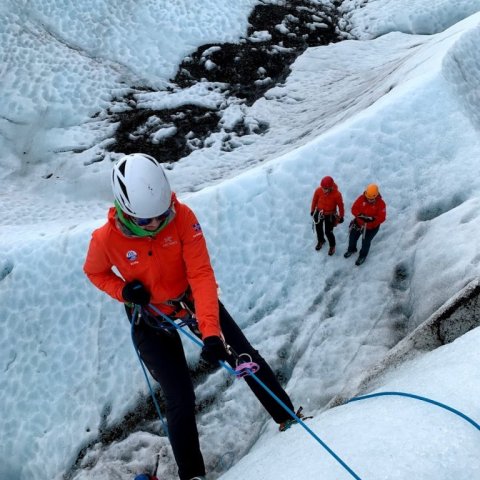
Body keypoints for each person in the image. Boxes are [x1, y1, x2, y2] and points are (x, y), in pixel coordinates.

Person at [83, 153, 298, 480]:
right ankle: (192, 475)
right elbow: (95, 272)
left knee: (243, 356)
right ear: (125, 211)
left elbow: (200, 274)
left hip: (190, 301)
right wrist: (124, 292)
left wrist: (211, 332)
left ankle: (288, 419)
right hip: (150, 317)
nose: (155, 224)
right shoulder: (105, 239)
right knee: (179, 395)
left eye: (160, 215)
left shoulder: (183, 218)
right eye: (144, 221)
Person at [344, 183, 386, 266]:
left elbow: (382, 217)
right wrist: (360, 215)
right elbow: (354, 208)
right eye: (368, 198)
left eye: (372, 199)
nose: (370, 200)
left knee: (366, 242)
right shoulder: (361, 198)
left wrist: (373, 219)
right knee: (352, 237)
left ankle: (362, 256)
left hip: (371, 228)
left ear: (376, 196)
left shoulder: (381, 204)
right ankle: (351, 249)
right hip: (358, 223)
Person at [310, 176, 344, 255]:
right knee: (318, 229)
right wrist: (312, 210)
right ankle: (321, 240)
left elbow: (341, 206)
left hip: (330, 214)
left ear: (331, 187)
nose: (323, 190)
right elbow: (314, 200)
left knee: (328, 232)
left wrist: (341, 216)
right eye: (323, 187)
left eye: (325, 188)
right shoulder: (318, 190)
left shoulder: (337, 194)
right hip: (319, 212)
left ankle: (332, 245)